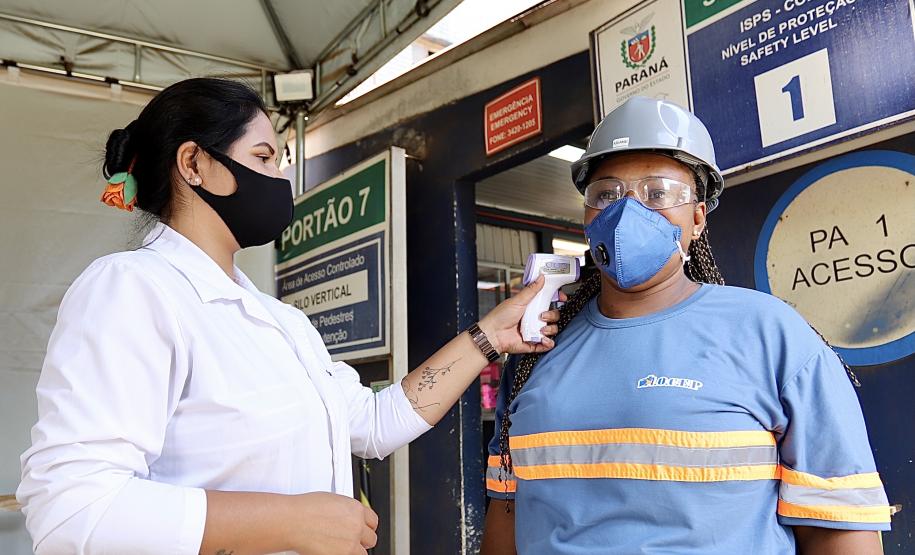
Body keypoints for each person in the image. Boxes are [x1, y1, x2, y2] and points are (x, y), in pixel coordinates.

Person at [17, 78, 563, 555]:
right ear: (194, 164)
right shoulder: (134, 289)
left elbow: (373, 425)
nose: (282, 178)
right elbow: (72, 510)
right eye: (263, 158)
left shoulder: (280, 321)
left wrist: (491, 335)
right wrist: (294, 522)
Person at [480, 96, 892, 554]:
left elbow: (841, 531)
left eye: (658, 192)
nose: (627, 211)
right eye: (606, 195)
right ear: (587, 219)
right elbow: (506, 512)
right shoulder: (537, 352)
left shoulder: (770, 333)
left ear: (697, 218)